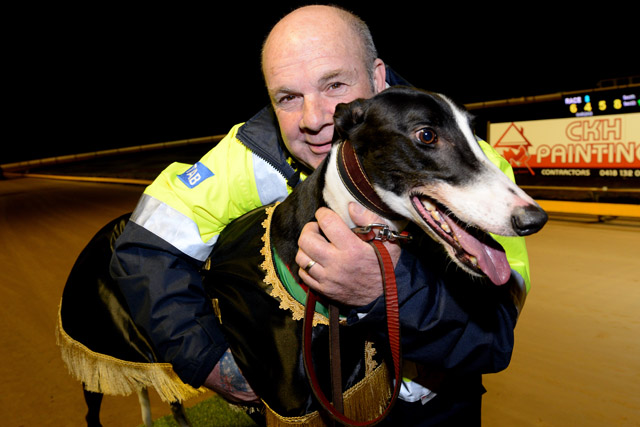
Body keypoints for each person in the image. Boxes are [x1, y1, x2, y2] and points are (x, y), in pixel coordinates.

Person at [111, 4, 531, 424]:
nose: (315, 120)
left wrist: (384, 288)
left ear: (377, 78)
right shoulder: (248, 155)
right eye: (288, 97)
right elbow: (145, 249)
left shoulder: (478, 171)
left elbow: (492, 338)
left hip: (436, 405)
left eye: (334, 85)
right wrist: (209, 360)